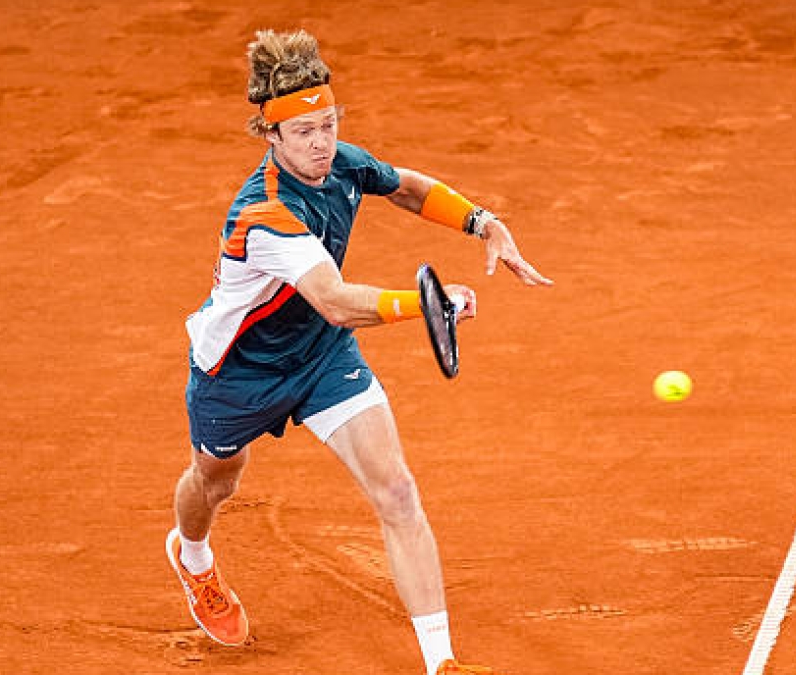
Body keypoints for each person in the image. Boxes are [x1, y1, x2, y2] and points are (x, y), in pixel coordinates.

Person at [165, 28, 552, 675]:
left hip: (319, 358)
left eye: (328, 125)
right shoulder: (265, 214)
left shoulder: (340, 161)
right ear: (270, 136)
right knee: (216, 480)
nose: (322, 145)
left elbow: (403, 185)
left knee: (397, 490)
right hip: (236, 372)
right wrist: (426, 304)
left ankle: (442, 662)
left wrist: (482, 221)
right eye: (305, 133)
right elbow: (336, 299)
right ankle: (193, 556)